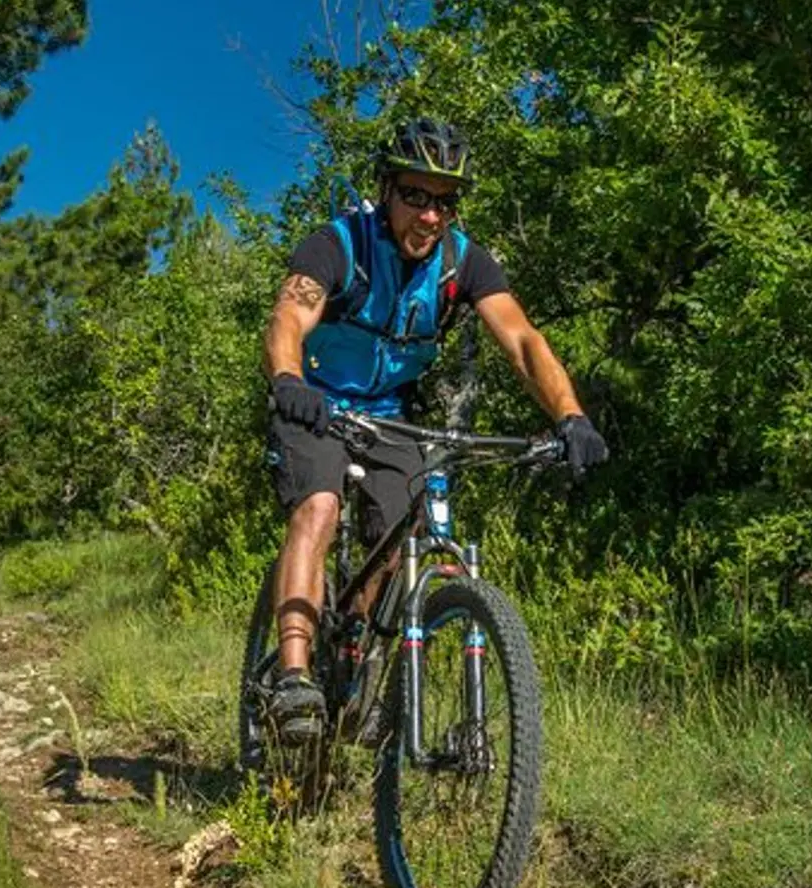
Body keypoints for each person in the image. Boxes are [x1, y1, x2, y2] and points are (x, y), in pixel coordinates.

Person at [260, 116, 609, 741]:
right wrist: (288, 380)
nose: (429, 215)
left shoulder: (462, 261)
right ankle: (292, 678)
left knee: (402, 535)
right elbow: (290, 313)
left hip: (389, 416)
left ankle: (357, 673)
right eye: (415, 196)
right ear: (388, 190)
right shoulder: (339, 244)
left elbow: (523, 341)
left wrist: (570, 415)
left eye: (443, 201)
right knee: (317, 506)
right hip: (315, 403)